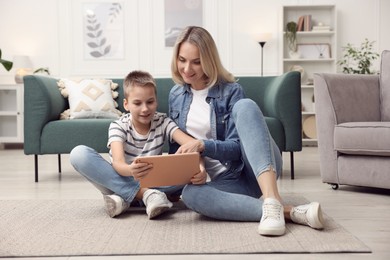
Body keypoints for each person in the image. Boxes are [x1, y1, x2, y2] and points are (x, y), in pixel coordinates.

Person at [168, 26, 324, 236]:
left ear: (209, 60)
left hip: (252, 167)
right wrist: (191, 171)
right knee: (192, 196)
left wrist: (203, 145)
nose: (187, 68)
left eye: (196, 61)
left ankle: (271, 197)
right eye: (182, 60)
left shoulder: (231, 91)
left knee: (246, 106)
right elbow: (179, 147)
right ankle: (287, 212)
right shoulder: (176, 95)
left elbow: (236, 148)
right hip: (227, 183)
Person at [70, 70, 207, 219]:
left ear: (156, 101)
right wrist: (131, 170)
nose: (145, 109)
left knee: (191, 178)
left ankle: (124, 199)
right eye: (137, 103)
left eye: (150, 102)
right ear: (126, 104)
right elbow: (118, 164)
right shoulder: (118, 126)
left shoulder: (162, 121)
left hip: (153, 182)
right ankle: (147, 196)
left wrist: (201, 169)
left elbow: (193, 145)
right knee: (79, 154)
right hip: (120, 179)